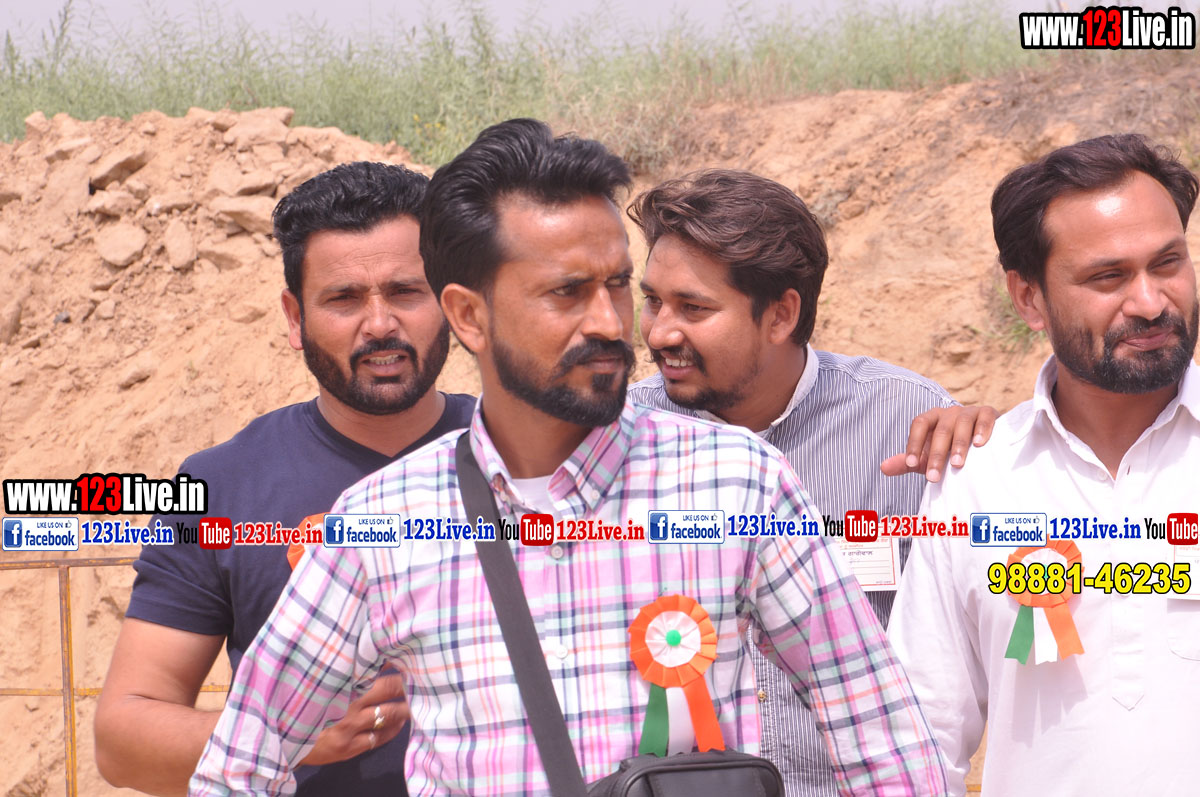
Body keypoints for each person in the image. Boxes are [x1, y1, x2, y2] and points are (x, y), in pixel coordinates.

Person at [189, 119, 947, 796]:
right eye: (567, 292)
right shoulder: (381, 523)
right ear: (469, 316)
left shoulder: (737, 481)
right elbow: (238, 766)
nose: (612, 322)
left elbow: (882, 738)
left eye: (617, 285)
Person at [94, 162, 476, 796]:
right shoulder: (221, 487)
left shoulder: (520, 455)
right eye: (344, 299)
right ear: (295, 318)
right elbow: (121, 741)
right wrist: (280, 734)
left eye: (406, 291)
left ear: (454, 302)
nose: (380, 323)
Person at [626, 169, 995, 796]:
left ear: (781, 314)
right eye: (653, 301)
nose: (660, 332)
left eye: (693, 308)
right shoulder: (619, 438)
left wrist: (997, 447)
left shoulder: (910, 425)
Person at [889, 133, 1200, 795]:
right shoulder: (976, 481)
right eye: (1108, 277)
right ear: (1029, 299)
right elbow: (921, 737)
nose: (1150, 302)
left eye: (1168, 263)